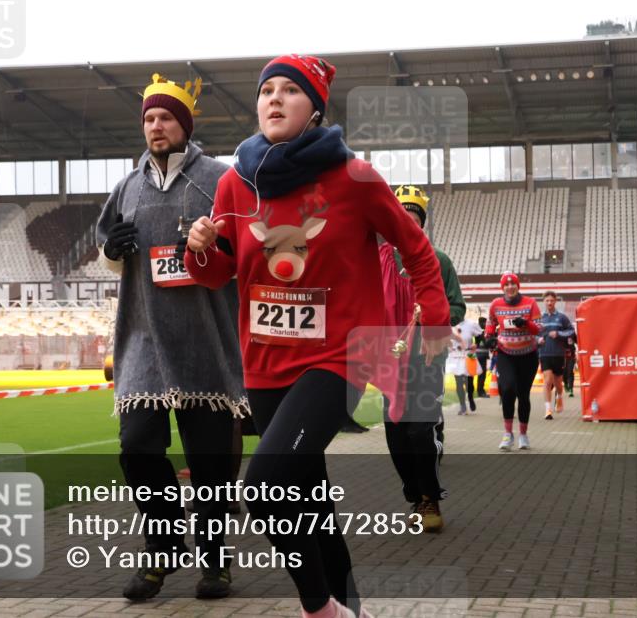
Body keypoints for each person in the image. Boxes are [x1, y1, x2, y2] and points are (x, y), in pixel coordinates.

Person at [183, 54, 452, 618]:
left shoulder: (354, 178)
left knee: (265, 486)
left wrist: (434, 316)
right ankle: (351, 607)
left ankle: (318, 610)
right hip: (264, 364)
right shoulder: (237, 182)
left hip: (340, 357)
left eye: (289, 91)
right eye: (266, 91)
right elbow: (218, 274)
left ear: (315, 108)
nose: (273, 99)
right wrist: (200, 248)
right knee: (307, 503)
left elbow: (415, 247)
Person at [95, 73, 246, 601]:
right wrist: (111, 249)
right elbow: (108, 256)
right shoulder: (126, 188)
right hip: (142, 339)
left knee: (208, 463)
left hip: (206, 339)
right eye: (148, 119)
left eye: (165, 118)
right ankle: (163, 546)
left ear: (184, 124)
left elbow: (244, 254)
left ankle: (214, 560)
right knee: (137, 448)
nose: (155, 127)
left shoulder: (220, 180)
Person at [381, 185, 465, 533]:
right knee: (396, 436)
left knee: (419, 431)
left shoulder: (439, 259)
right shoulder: (379, 258)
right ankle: (414, 496)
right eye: (403, 216)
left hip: (428, 357)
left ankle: (430, 498)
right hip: (389, 358)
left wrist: (433, 319)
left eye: (414, 217)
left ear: (422, 222)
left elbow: (457, 306)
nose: (408, 222)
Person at [485, 272, 541, 450]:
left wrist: (525, 323)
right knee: (508, 389)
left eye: (513, 284)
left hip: (528, 354)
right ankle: (508, 434)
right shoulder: (496, 304)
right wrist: (489, 337)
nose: (510, 287)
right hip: (505, 353)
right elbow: (490, 323)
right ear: (502, 288)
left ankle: (523, 435)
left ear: (518, 286)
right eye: (506, 285)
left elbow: (538, 329)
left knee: (523, 395)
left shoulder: (530, 303)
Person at [538, 291, 575, 419]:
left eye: (551, 300)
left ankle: (559, 396)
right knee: (547, 381)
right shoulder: (539, 318)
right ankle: (548, 410)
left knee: (558, 382)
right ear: (544, 302)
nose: (549, 303)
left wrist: (558, 334)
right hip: (544, 354)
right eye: (547, 300)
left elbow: (571, 331)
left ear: (555, 301)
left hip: (559, 354)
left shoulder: (562, 317)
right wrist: (539, 340)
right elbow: (534, 333)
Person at [448, 315, 483, 414]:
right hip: (455, 355)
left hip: (468, 354)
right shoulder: (449, 325)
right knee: (458, 382)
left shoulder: (471, 324)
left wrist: (476, 344)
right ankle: (462, 405)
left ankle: (471, 398)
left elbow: (480, 335)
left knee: (469, 383)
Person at [473, 316, 490, 397]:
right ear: (481, 323)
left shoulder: (482, 332)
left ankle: (480, 390)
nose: (486, 325)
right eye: (484, 323)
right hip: (480, 354)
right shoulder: (479, 332)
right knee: (482, 373)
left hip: (482, 354)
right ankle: (480, 391)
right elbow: (485, 342)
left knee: (482, 373)